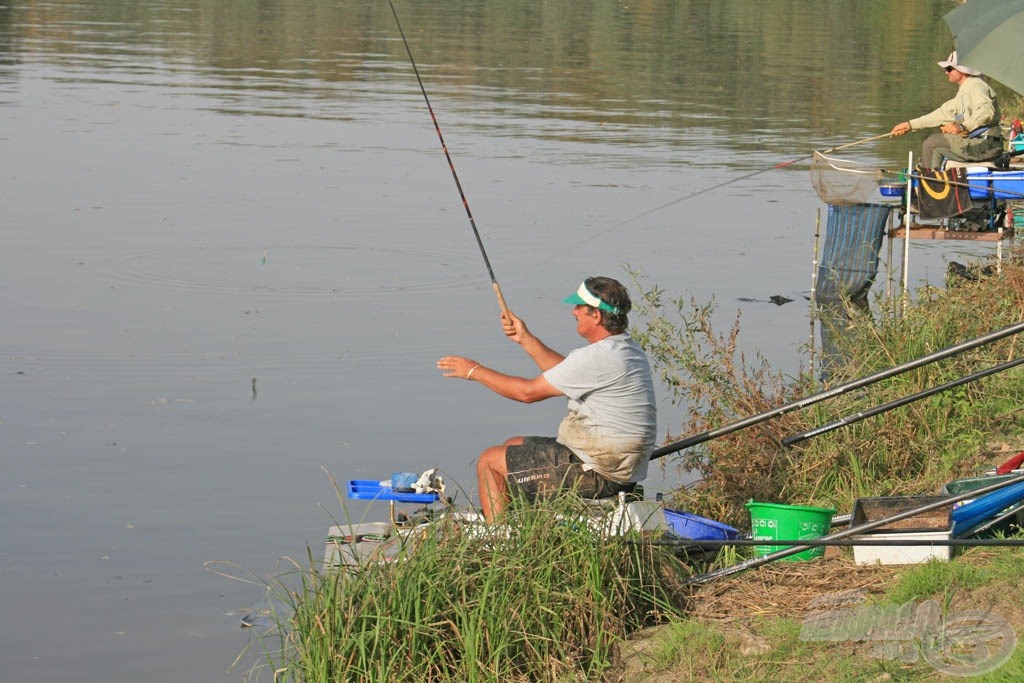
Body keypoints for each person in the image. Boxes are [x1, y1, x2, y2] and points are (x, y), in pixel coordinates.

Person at [436, 276, 656, 523]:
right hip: (618, 466)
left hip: (599, 472)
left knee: (489, 461)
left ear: (596, 316)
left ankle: (498, 539)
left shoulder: (597, 356)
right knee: (513, 445)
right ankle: (525, 525)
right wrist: (525, 338)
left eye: (579, 307)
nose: (573, 311)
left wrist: (474, 371)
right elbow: (565, 374)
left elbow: (527, 393)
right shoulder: (624, 349)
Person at [889, 51, 1002, 169]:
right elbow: (942, 114)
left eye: (949, 68)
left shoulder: (976, 86)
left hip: (986, 145)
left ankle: (929, 183)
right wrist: (909, 125)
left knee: (932, 143)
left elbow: (986, 111)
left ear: (962, 70)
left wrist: (962, 127)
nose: (946, 72)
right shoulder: (964, 91)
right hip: (979, 144)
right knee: (937, 142)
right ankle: (934, 179)